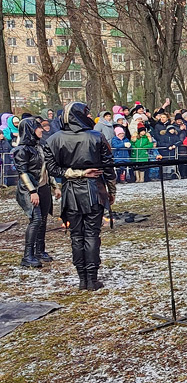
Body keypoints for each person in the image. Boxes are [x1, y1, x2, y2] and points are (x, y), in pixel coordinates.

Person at [43, 102, 116, 291]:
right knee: (90, 235)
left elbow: (52, 168)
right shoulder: (96, 137)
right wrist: (111, 191)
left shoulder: (54, 139)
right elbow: (108, 167)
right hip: (93, 191)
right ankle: (89, 279)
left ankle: (85, 279)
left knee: (77, 236)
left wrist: (73, 174)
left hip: (72, 192)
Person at [14, 117, 60, 268]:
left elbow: (47, 169)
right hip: (30, 189)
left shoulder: (41, 146)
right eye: (38, 127)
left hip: (44, 187)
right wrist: (32, 191)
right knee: (36, 219)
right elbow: (23, 172)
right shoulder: (22, 150)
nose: (41, 130)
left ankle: (40, 251)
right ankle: (27, 256)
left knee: (43, 220)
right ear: (30, 130)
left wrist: (55, 186)